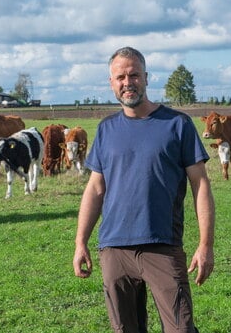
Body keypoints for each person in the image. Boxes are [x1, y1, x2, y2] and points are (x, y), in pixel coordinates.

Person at [73, 46, 216, 332]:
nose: (128, 83)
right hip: (114, 248)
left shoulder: (177, 125)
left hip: (162, 245)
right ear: (111, 83)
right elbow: (95, 189)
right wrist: (80, 243)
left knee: (181, 328)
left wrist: (205, 245)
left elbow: (200, 184)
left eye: (134, 75)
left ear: (147, 78)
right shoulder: (106, 129)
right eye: (121, 77)